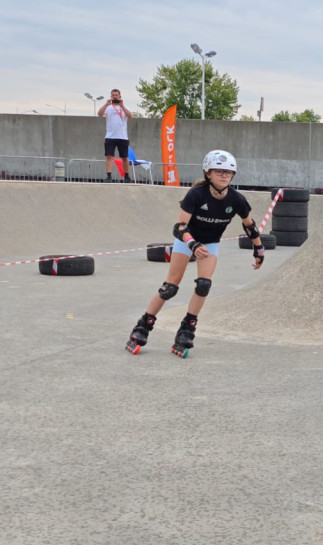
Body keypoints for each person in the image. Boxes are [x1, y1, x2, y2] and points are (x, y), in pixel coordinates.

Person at [125, 150, 265, 357]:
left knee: (204, 285)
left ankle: (187, 329)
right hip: (187, 241)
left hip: (209, 244)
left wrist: (258, 248)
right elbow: (179, 227)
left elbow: (249, 225)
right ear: (208, 173)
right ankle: (142, 327)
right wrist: (192, 244)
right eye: (219, 171)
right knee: (170, 288)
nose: (224, 175)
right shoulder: (197, 194)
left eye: (228, 172)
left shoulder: (236, 199)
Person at [98, 88, 132, 182]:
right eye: (113, 95)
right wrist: (106, 104)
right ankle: (109, 176)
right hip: (110, 136)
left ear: (120, 96)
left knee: (125, 157)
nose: (115, 97)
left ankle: (126, 176)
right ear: (111, 96)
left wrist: (122, 105)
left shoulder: (125, 107)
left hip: (123, 136)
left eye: (116, 95)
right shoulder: (108, 107)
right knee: (109, 156)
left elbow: (130, 116)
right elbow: (99, 114)